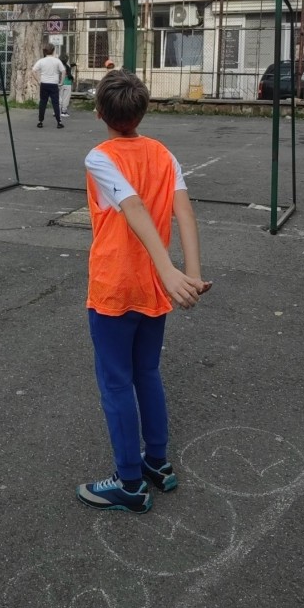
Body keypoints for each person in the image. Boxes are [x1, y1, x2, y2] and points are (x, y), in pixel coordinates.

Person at [76, 69, 212, 514]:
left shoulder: (99, 157)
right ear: (143, 111)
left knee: (116, 382)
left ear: (99, 113)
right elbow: (184, 212)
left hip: (116, 287)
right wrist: (189, 274)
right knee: (147, 373)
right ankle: (157, 460)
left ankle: (130, 483)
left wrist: (173, 271)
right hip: (155, 287)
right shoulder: (163, 153)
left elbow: (132, 205)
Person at [31, 44, 65, 129]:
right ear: (53, 51)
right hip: (54, 84)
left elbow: (33, 70)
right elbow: (63, 71)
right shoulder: (57, 61)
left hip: (44, 83)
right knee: (55, 103)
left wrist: (38, 80)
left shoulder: (41, 61)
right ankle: (59, 122)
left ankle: (40, 121)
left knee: (43, 103)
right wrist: (61, 82)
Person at [59, 52, 76, 118]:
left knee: (59, 97)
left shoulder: (58, 66)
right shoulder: (67, 66)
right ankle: (64, 111)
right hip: (67, 83)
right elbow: (69, 72)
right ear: (67, 60)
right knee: (65, 98)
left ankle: (57, 111)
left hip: (59, 83)